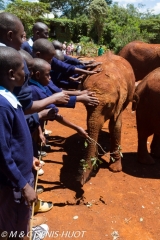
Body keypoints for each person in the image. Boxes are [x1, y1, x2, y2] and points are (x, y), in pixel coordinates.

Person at [0, 46, 46, 236]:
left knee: (17, 219)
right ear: (12, 74)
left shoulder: (8, 98)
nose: (26, 74)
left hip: (19, 175)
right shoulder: (2, 106)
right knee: (16, 224)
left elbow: (14, 140)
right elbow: (2, 153)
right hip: (14, 184)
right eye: (23, 70)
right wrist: (23, 184)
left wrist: (29, 159)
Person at [28, 58, 89, 139]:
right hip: (31, 129)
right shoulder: (35, 91)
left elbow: (57, 93)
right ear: (38, 75)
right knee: (33, 141)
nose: (50, 78)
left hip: (36, 122)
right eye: (48, 75)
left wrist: (79, 93)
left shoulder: (39, 84)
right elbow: (54, 114)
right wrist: (76, 128)